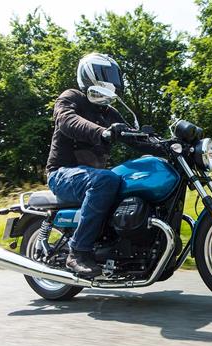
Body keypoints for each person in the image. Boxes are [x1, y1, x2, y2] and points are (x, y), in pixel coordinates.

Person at [45, 53, 163, 278]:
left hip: (90, 176)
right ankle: (77, 252)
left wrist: (171, 148)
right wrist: (103, 132)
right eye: (105, 74)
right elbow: (68, 121)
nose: (111, 81)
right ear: (89, 74)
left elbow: (136, 138)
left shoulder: (109, 112)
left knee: (131, 180)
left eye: (112, 75)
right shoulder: (72, 98)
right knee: (107, 179)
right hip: (61, 174)